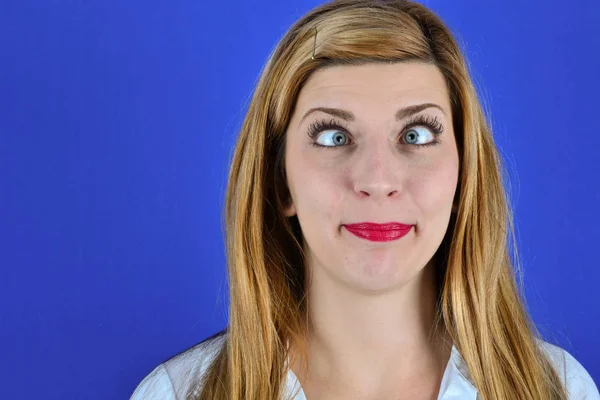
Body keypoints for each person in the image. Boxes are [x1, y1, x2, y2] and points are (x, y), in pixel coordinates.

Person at [130, 0, 600, 399]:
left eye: (415, 135)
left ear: (463, 177)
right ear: (281, 183)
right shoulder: (176, 393)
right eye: (334, 136)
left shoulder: (559, 387)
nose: (377, 180)